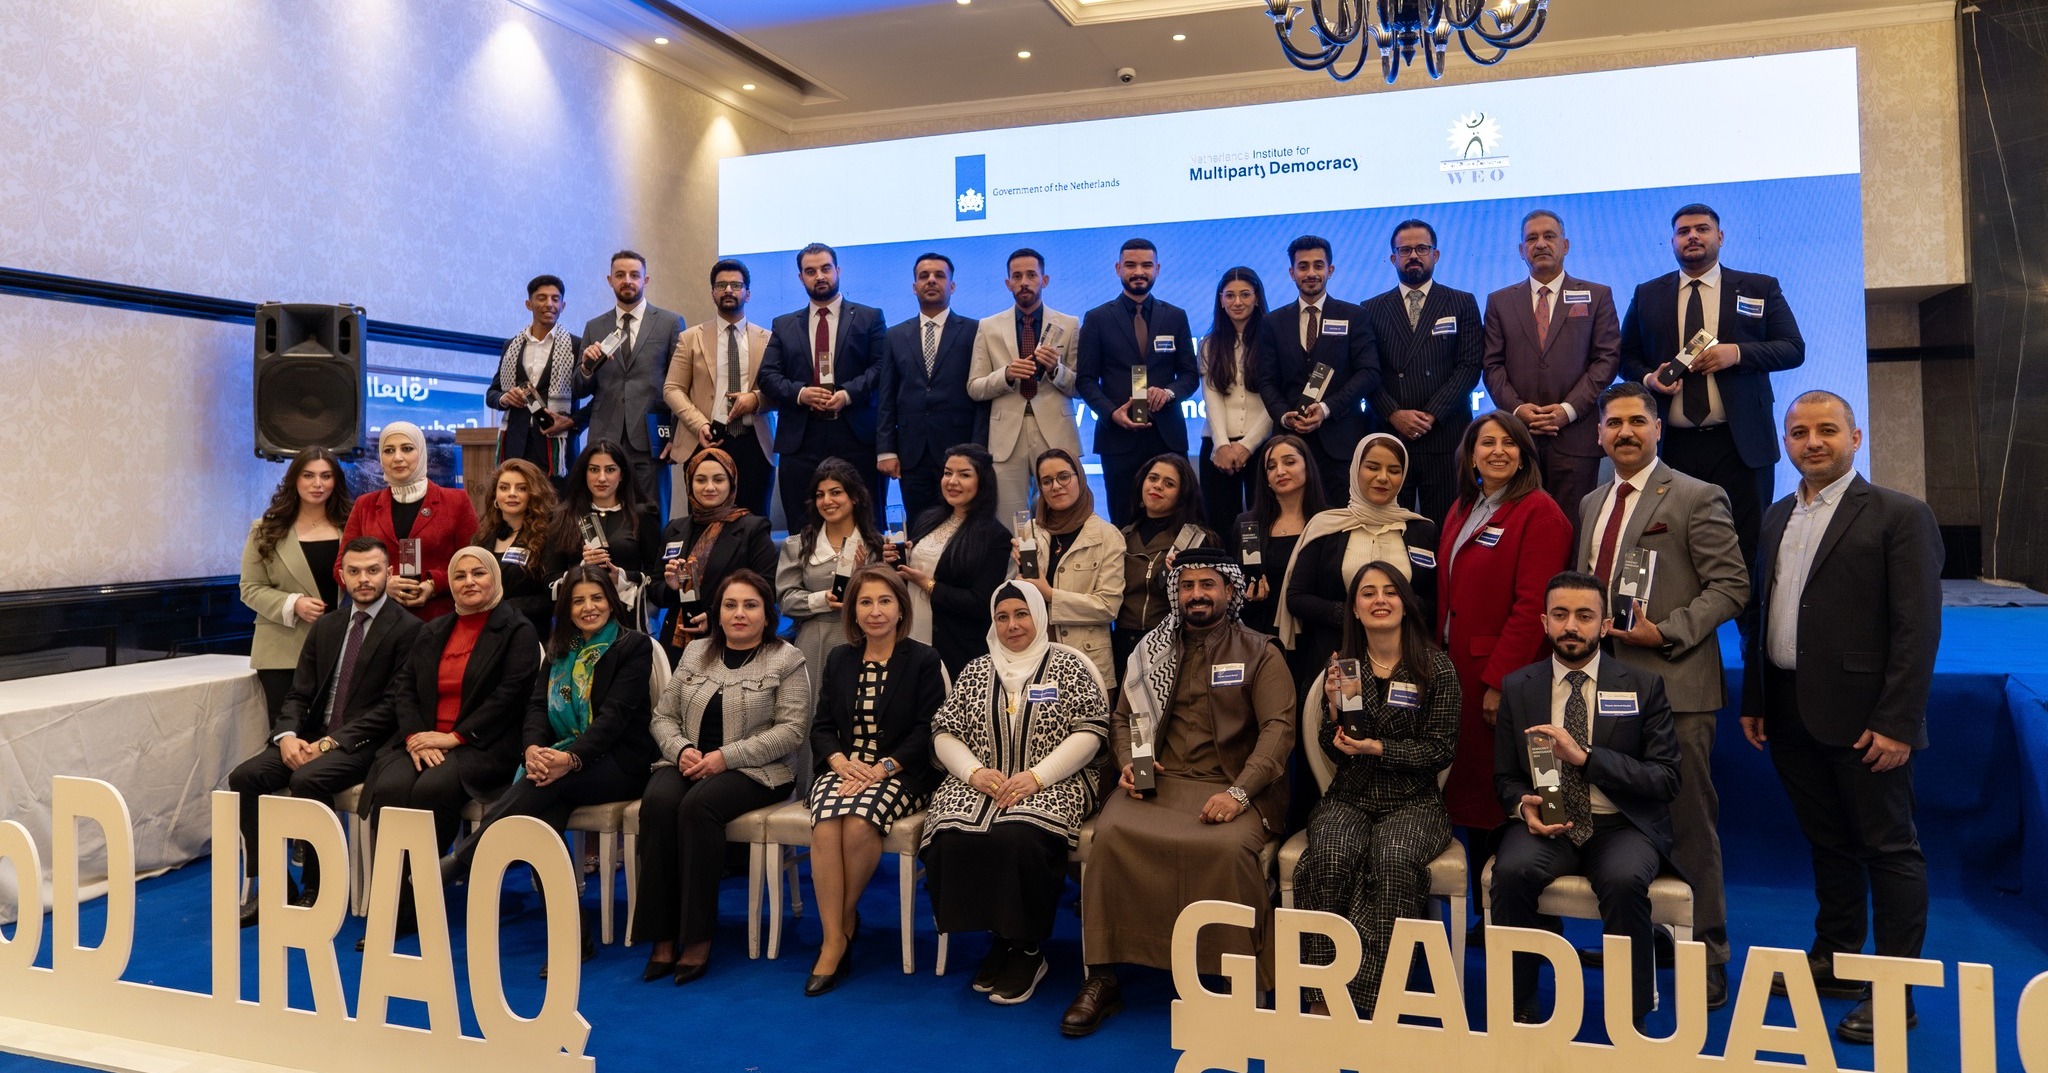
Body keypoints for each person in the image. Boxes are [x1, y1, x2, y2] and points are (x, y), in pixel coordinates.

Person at [1740, 390, 1941, 1045]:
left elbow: (1917, 629)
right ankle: (1836, 957)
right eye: (1799, 432)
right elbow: (1762, 617)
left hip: (1866, 722)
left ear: (1856, 435)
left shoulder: (1898, 515)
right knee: (1827, 843)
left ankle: (1894, 991)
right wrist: (1757, 699)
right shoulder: (1773, 517)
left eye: (1827, 429)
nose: (1813, 441)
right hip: (1792, 713)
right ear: (1786, 441)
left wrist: (1899, 721)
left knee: (1889, 850)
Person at [1063, 550, 1294, 1038]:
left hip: (1233, 785)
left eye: (1207, 585)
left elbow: (1278, 730)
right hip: (1160, 780)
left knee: (1227, 848)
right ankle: (1103, 973)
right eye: (1187, 586)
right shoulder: (1152, 649)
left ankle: (1237, 979)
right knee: (1112, 834)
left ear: (1229, 592)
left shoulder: (1259, 651)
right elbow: (1124, 718)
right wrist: (1130, 765)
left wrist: (1239, 793)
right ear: (1176, 594)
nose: (1197, 595)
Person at [1576, 382, 1748, 1007]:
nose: (1624, 432)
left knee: (1688, 823)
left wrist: (1667, 632)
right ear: (1598, 434)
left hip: (1676, 689)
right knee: (1625, 823)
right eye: (1613, 423)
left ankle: (1708, 952)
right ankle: (1643, 936)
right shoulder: (1593, 502)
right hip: (1605, 692)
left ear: (1657, 428)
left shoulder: (1698, 497)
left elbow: (1731, 587)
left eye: (1636, 422)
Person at [437, 564, 658, 975]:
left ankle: (464, 856)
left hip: (618, 762)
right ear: (567, 608)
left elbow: (615, 718)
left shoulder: (633, 646)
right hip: (557, 763)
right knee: (543, 816)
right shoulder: (559, 647)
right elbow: (536, 706)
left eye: (596, 598)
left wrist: (570, 758)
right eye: (578, 600)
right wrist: (535, 749)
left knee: (543, 790)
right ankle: (575, 939)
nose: (588, 607)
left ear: (611, 600)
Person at [1490, 571, 1679, 1028]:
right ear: (1544, 622)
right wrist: (1523, 807)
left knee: (1623, 881)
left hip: (1620, 825)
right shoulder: (1519, 686)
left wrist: (1586, 757)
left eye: (1584, 615)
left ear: (1605, 623)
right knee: (1511, 873)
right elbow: (1505, 777)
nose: (1571, 626)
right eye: (1560, 615)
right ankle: (1516, 1005)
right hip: (1549, 821)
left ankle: (1629, 1016)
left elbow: (1666, 778)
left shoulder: (1642, 685)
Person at [923, 581, 1109, 1005]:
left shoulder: (1068, 666)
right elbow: (943, 732)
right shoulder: (975, 669)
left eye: (1021, 614)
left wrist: (1038, 777)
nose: (1012, 625)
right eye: (1002, 617)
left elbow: (1091, 732)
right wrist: (972, 773)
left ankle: (1027, 948)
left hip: (1056, 781)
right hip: (982, 781)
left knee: (1019, 835)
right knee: (951, 835)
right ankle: (999, 938)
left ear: (1039, 617)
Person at [228, 537, 420, 926]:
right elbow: (299, 692)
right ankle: (277, 886)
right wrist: (287, 736)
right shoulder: (328, 625)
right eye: (354, 572)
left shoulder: (409, 629)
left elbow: (392, 707)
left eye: (373, 570)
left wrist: (332, 742)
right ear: (342, 575)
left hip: (363, 744)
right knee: (245, 777)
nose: (363, 579)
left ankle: (319, 883)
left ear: (389, 572)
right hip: (310, 737)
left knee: (309, 778)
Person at [1292, 562, 1457, 1014]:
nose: (1379, 600)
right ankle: (1321, 992)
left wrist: (1381, 748)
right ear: (1355, 610)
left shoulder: (1436, 668)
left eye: (1390, 591)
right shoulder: (1345, 667)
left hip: (1414, 802)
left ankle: (1367, 995)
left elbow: (1440, 750)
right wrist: (1331, 713)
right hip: (1350, 797)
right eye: (1368, 593)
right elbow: (1336, 746)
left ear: (1406, 604)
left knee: (1393, 861)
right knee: (1330, 856)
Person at [634, 570, 810, 984]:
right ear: (717, 612)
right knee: (658, 802)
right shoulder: (696, 652)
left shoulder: (786, 658)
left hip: (758, 769)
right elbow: (663, 716)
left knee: (699, 806)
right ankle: (661, 934)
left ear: (768, 615)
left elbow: (791, 730)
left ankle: (696, 937)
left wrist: (724, 757)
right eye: (730, 605)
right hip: (688, 759)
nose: (739, 614)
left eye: (750, 605)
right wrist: (680, 751)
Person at [359, 546, 539, 940]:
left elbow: (510, 697)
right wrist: (413, 738)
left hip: (483, 744)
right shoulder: (433, 630)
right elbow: (403, 689)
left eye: (479, 573)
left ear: (495, 578)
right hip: (424, 740)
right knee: (389, 789)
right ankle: (389, 902)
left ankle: (414, 907)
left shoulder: (516, 629)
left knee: (432, 788)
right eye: (460, 576)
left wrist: (455, 736)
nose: (469, 582)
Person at [1619, 204, 1806, 567]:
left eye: (1702, 229)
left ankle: (1755, 626)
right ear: (1671, 241)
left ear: (1719, 237)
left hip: (1741, 445)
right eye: (1684, 231)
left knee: (1749, 548)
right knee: (1673, 548)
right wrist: (1648, 379)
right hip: (1672, 447)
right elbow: (1625, 357)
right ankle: (1691, 626)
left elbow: (1793, 348)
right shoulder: (1647, 294)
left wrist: (1735, 354)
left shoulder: (1758, 286)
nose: (1693, 236)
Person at [802, 565, 948, 995]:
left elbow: (928, 729)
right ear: (853, 610)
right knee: (828, 822)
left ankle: (840, 924)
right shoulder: (840, 659)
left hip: (901, 772)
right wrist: (838, 760)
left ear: (901, 609)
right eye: (865, 602)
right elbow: (822, 724)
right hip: (845, 768)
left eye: (885, 601)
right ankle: (836, 938)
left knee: (861, 822)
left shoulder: (923, 659)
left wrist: (883, 768)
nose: (875, 611)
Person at [1436, 412, 1573, 834]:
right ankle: (1472, 898)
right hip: (1458, 668)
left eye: (1509, 443)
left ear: (1523, 456)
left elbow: (1534, 607)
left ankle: (1502, 893)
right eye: (1487, 443)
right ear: (1471, 457)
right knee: (1467, 794)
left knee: (1497, 801)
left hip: (1497, 676)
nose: (1498, 451)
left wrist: (1500, 681)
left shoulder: (1539, 512)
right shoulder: (1464, 507)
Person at [1481, 209, 1623, 537]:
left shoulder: (1598, 295)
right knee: (1516, 530)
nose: (1541, 244)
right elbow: (1492, 364)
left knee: (1573, 531)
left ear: (1566, 244)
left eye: (1549, 236)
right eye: (1532, 238)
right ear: (1521, 250)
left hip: (1574, 437)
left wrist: (1568, 410)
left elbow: (1607, 359)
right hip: (1518, 440)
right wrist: (1517, 412)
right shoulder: (1499, 301)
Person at [1281, 434, 1440, 691]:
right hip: (1336, 662)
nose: (1383, 478)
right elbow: (1297, 597)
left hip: (1405, 664)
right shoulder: (1327, 527)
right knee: (1340, 730)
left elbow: (1435, 602)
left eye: (1394, 470)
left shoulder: (1423, 530)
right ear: (1355, 469)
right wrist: (1355, 614)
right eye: (1373, 467)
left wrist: (1396, 609)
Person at [758, 242, 890, 526]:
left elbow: (882, 368)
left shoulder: (869, 318)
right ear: (800, 278)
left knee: (866, 520)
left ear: (838, 270)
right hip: (802, 439)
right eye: (810, 271)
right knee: (803, 524)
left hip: (855, 435)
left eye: (825, 268)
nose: (819, 276)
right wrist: (801, 393)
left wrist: (847, 394)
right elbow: (767, 376)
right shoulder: (784, 324)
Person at [1365, 220, 1484, 524]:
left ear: (1436, 254)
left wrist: (1430, 414)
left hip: (1445, 434)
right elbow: (1366, 371)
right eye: (1405, 250)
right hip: (1390, 436)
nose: (1414, 255)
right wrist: (1394, 413)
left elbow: (1470, 366)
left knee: (1447, 527)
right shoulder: (1370, 308)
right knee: (1390, 527)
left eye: (1422, 248)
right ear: (1393, 258)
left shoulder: (1461, 302)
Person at [1075, 238, 1200, 527]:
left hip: (1167, 437)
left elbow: (1190, 376)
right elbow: (1085, 380)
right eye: (1131, 265)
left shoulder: (1176, 316)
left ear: (1158, 269)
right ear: (1118, 268)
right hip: (1118, 439)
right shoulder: (1097, 318)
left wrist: (1169, 393)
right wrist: (1111, 412)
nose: (1139, 271)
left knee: (1176, 521)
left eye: (1146, 265)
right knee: (1124, 521)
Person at [1254, 235, 1378, 508]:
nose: (1311, 273)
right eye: (1303, 266)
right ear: (1292, 273)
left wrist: (1327, 408)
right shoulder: (1273, 322)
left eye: (1318, 265)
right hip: (1290, 444)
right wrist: (1283, 416)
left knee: (1340, 523)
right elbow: (1266, 379)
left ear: (1330, 270)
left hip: (1341, 442)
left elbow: (1369, 372)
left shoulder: (1354, 316)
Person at [970, 248, 1085, 526]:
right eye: (1017, 276)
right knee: (1010, 520)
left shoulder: (1069, 325)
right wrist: (1007, 375)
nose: (1024, 282)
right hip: (1006, 434)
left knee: (1065, 514)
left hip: (1056, 430)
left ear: (1044, 280)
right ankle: (1014, 571)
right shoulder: (988, 326)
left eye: (1031, 275)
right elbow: (974, 387)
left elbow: (1081, 387)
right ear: (1008, 283)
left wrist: (1056, 369)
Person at [241, 447, 352, 728]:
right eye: (309, 475)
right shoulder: (265, 529)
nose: (318, 484)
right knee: (288, 736)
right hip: (283, 650)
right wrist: (293, 603)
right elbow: (250, 587)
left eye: (326, 476)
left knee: (333, 733)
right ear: (294, 480)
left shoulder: (352, 526)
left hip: (342, 647)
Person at [662, 258, 774, 516]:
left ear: (748, 292)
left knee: (754, 521)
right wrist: (698, 424)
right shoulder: (690, 338)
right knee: (705, 524)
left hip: (754, 443)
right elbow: (672, 388)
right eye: (721, 285)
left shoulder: (767, 339)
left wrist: (756, 400)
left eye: (736, 285)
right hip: (705, 438)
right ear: (712, 292)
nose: (728, 290)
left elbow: (778, 391)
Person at [890, 443, 1012, 681]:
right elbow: (908, 575)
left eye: (964, 475)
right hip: (910, 636)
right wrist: (894, 561)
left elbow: (981, 604)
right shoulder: (927, 518)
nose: (952, 481)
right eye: (948, 473)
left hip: (955, 649)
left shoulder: (995, 536)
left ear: (982, 482)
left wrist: (928, 584)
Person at [879, 252, 985, 522]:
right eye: (923, 276)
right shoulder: (895, 335)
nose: (931, 280)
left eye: (939, 275)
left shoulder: (975, 331)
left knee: (963, 526)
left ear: (952, 286)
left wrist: (979, 451)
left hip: (960, 453)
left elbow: (982, 397)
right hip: (912, 455)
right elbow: (887, 397)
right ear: (914, 286)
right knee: (919, 527)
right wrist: (887, 450)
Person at [576, 250, 685, 508]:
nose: (627, 280)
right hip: (605, 436)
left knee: (651, 513)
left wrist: (675, 436)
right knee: (603, 512)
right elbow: (580, 388)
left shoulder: (670, 323)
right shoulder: (595, 326)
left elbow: (679, 384)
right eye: (620, 275)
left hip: (651, 436)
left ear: (645, 280)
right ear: (610, 280)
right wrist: (587, 368)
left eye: (634, 275)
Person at [340, 422, 478, 622]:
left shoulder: (456, 501)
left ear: (421, 452)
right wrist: (381, 584)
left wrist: (433, 585)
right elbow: (341, 567)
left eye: (407, 448)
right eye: (388, 450)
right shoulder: (365, 505)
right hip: (381, 622)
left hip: (440, 621)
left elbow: (476, 562)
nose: (397, 457)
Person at [1011, 448, 1123, 690]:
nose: (1056, 486)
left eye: (1064, 477)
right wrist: (1017, 583)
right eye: (1047, 481)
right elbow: (1015, 600)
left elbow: (1108, 606)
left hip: (1087, 662)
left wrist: (1050, 594)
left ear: (1079, 478)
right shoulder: (1029, 530)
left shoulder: (1107, 535)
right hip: (1034, 658)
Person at [777, 457, 887, 700]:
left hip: (866, 639)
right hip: (814, 640)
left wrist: (862, 578)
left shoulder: (878, 546)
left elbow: (892, 601)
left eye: (835, 492)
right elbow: (785, 601)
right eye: (820, 495)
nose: (827, 501)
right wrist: (822, 600)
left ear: (854, 497)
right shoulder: (798, 545)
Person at [654, 447, 775, 665]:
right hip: (676, 643)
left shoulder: (752, 529)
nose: (709, 487)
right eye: (700, 480)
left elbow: (767, 589)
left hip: (729, 640)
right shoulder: (675, 529)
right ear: (689, 484)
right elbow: (655, 591)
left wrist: (714, 617)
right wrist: (671, 587)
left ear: (731, 484)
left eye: (718, 480)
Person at [1111, 454, 1218, 679]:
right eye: (1153, 478)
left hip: (1173, 641)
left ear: (1182, 495)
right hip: (1123, 642)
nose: (1157, 486)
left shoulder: (1197, 539)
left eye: (1169, 484)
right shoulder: (1121, 536)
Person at [546, 440, 664, 632]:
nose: (601, 478)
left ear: (622, 474)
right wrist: (582, 569)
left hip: (627, 622)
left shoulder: (643, 514)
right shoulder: (563, 516)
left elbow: (656, 576)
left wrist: (621, 576)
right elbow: (549, 581)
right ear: (584, 474)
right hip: (577, 623)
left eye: (610, 470)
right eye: (594, 470)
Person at [1198, 267, 1275, 536]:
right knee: (1220, 526)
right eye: (1230, 295)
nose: (1237, 302)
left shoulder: (1273, 339)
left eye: (1245, 294)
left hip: (1261, 446)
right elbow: (1212, 397)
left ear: (1257, 297)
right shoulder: (1209, 344)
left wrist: (1246, 446)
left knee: (1260, 525)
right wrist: (1221, 445)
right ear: (1221, 300)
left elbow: (1274, 400)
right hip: (1217, 449)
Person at [487, 274, 583, 486]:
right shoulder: (510, 346)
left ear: (563, 305)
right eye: (542, 298)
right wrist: (505, 398)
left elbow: (594, 395)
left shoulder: (577, 346)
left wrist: (573, 422)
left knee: (557, 513)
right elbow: (492, 394)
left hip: (557, 450)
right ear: (529, 304)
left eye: (555, 299)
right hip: (516, 444)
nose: (549, 304)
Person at [1233, 433, 1326, 645]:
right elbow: (1239, 588)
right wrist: (1250, 597)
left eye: (1289, 462)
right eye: (1271, 467)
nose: (1280, 471)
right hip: (1262, 635)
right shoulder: (1249, 524)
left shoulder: (1328, 522)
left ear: (1308, 467)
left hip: (1315, 634)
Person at [474, 458, 559, 638]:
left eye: (521, 488)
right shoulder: (483, 537)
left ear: (534, 494)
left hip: (528, 633)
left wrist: (506, 607)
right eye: (504, 488)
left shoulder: (548, 537)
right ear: (495, 495)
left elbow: (553, 598)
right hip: (484, 632)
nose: (511, 494)